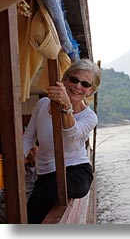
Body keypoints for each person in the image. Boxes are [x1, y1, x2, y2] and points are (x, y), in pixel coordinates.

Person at [23, 59, 101, 223]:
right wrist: (13, 164)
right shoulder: (43, 104)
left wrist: (66, 107)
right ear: (65, 80)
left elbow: (71, 136)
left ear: (90, 91)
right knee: (32, 213)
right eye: (73, 80)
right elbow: (29, 137)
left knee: (36, 209)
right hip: (46, 175)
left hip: (75, 171)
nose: (77, 86)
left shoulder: (90, 117)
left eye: (85, 84)